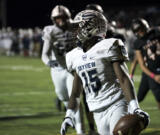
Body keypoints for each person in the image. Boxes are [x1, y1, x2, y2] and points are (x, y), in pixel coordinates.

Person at [60, 10, 149, 135]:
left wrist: (135, 107)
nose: (76, 32)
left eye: (79, 27)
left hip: (116, 104)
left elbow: (123, 78)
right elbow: (75, 93)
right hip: (97, 111)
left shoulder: (108, 45)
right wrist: (69, 115)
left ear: (92, 27)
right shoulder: (74, 56)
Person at [41, 5, 85, 135]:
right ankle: (70, 119)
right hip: (58, 68)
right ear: (53, 19)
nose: (60, 21)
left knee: (74, 96)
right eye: (57, 18)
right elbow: (45, 53)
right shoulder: (50, 31)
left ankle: (81, 129)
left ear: (67, 17)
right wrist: (48, 61)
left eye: (62, 18)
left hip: (72, 68)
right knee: (63, 96)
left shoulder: (76, 26)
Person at [131, 18, 160, 132]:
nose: (139, 33)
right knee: (159, 99)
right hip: (152, 72)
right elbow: (141, 64)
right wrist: (153, 76)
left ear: (145, 27)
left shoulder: (157, 32)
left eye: (140, 30)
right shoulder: (138, 43)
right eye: (136, 31)